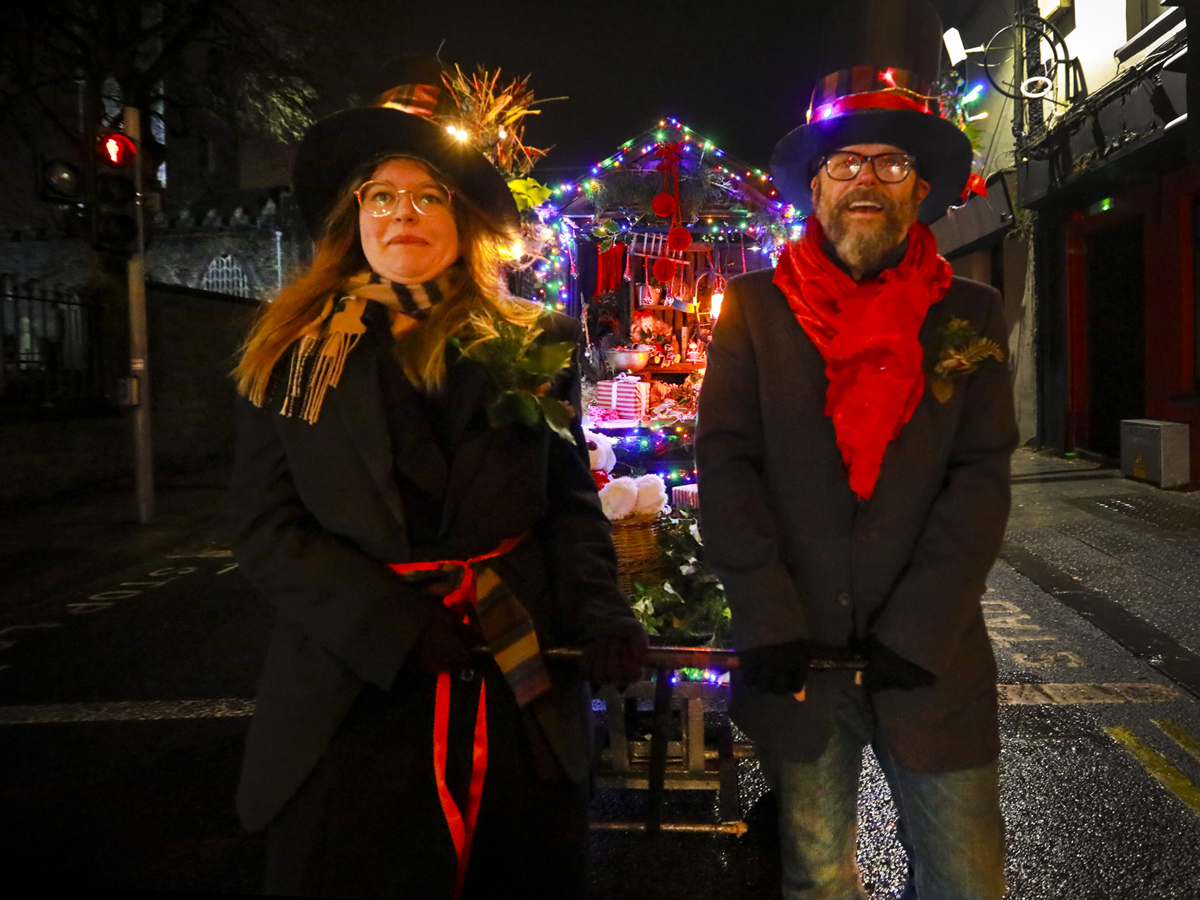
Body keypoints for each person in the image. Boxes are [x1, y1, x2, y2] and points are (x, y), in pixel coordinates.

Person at [228, 56, 647, 899]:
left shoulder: (533, 340)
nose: (403, 215)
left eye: (429, 196)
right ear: (354, 216)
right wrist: (392, 626)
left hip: (514, 686)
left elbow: (569, 505)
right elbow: (266, 528)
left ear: (465, 220)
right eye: (381, 195)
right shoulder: (294, 352)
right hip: (353, 699)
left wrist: (601, 610)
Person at [695, 2, 1017, 898]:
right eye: (845, 163)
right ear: (816, 186)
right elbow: (727, 465)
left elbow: (980, 479)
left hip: (932, 654)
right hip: (798, 652)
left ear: (919, 188)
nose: (866, 179)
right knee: (818, 878)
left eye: (891, 162)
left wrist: (919, 626)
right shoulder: (754, 310)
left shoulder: (973, 314)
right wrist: (766, 616)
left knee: (966, 881)